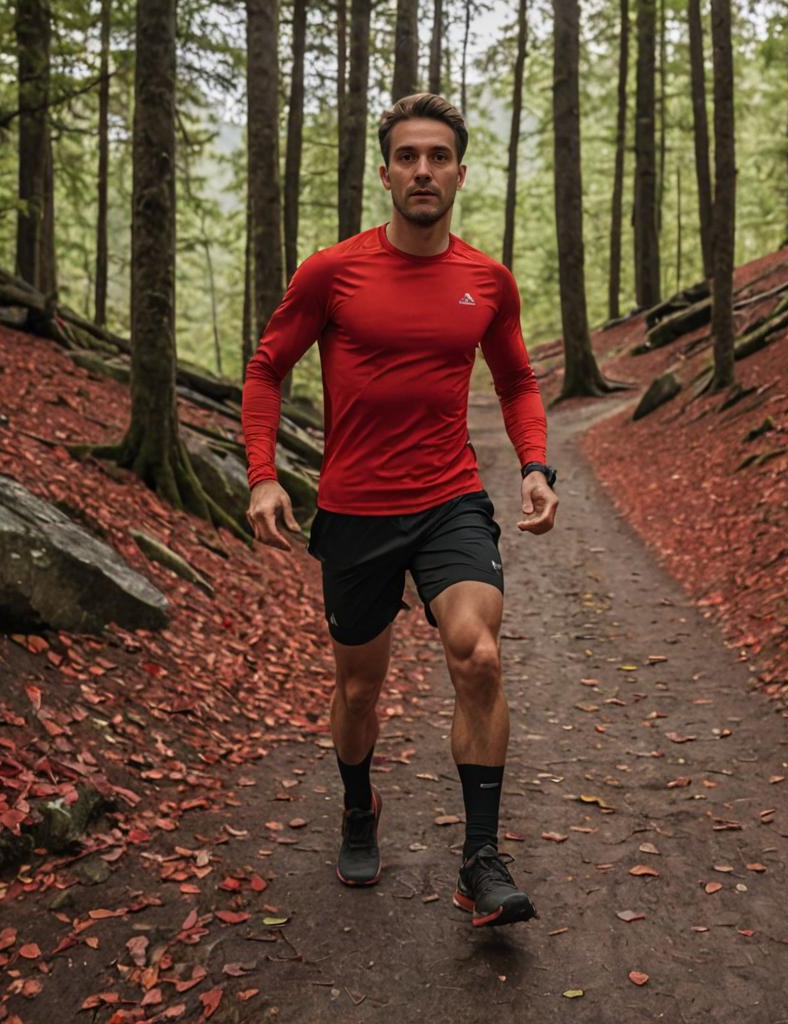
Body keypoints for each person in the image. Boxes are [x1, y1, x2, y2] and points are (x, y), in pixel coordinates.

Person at [240, 93, 558, 928]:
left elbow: (518, 380)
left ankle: (481, 861)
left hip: (449, 499)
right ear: (385, 173)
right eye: (408, 156)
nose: (424, 170)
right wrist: (263, 474)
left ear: (460, 169)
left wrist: (534, 465)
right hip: (353, 511)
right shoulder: (332, 272)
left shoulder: (487, 280)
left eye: (439, 156)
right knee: (357, 688)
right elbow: (267, 368)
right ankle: (357, 809)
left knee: (478, 655)